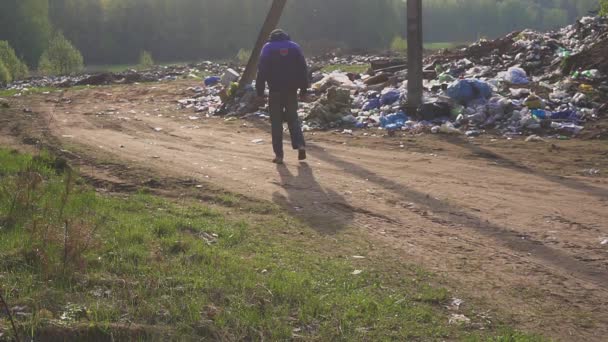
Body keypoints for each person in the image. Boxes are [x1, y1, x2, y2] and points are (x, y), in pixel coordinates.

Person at [256, 29, 309, 164]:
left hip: (275, 91)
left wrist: (260, 93)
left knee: (276, 124)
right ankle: (300, 145)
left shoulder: (267, 48)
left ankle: (279, 155)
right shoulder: (294, 47)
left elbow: (261, 72)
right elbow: (303, 69)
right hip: (291, 91)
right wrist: (303, 90)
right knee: (293, 119)